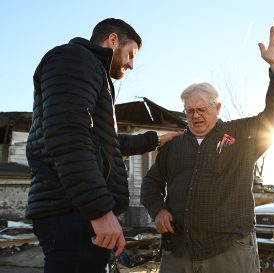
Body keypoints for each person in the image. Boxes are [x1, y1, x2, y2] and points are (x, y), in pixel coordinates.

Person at [25, 18, 180, 273]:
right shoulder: (75, 58)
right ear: (113, 40)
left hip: (77, 210)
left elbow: (103, 143)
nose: (132, 64)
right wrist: (99, 211)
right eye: (131, 54)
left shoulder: (90, 69)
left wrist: (155, 140)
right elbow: (67, 134)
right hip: (71, 212)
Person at [140, 22, 274, 273]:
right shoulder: (174, 145)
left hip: (228, 251)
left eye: (202, 109)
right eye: (189, 111)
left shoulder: (241, 135)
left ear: (218, 108)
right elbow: (151, 183)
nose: (195, 116)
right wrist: (157, 210)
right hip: (179, 251)